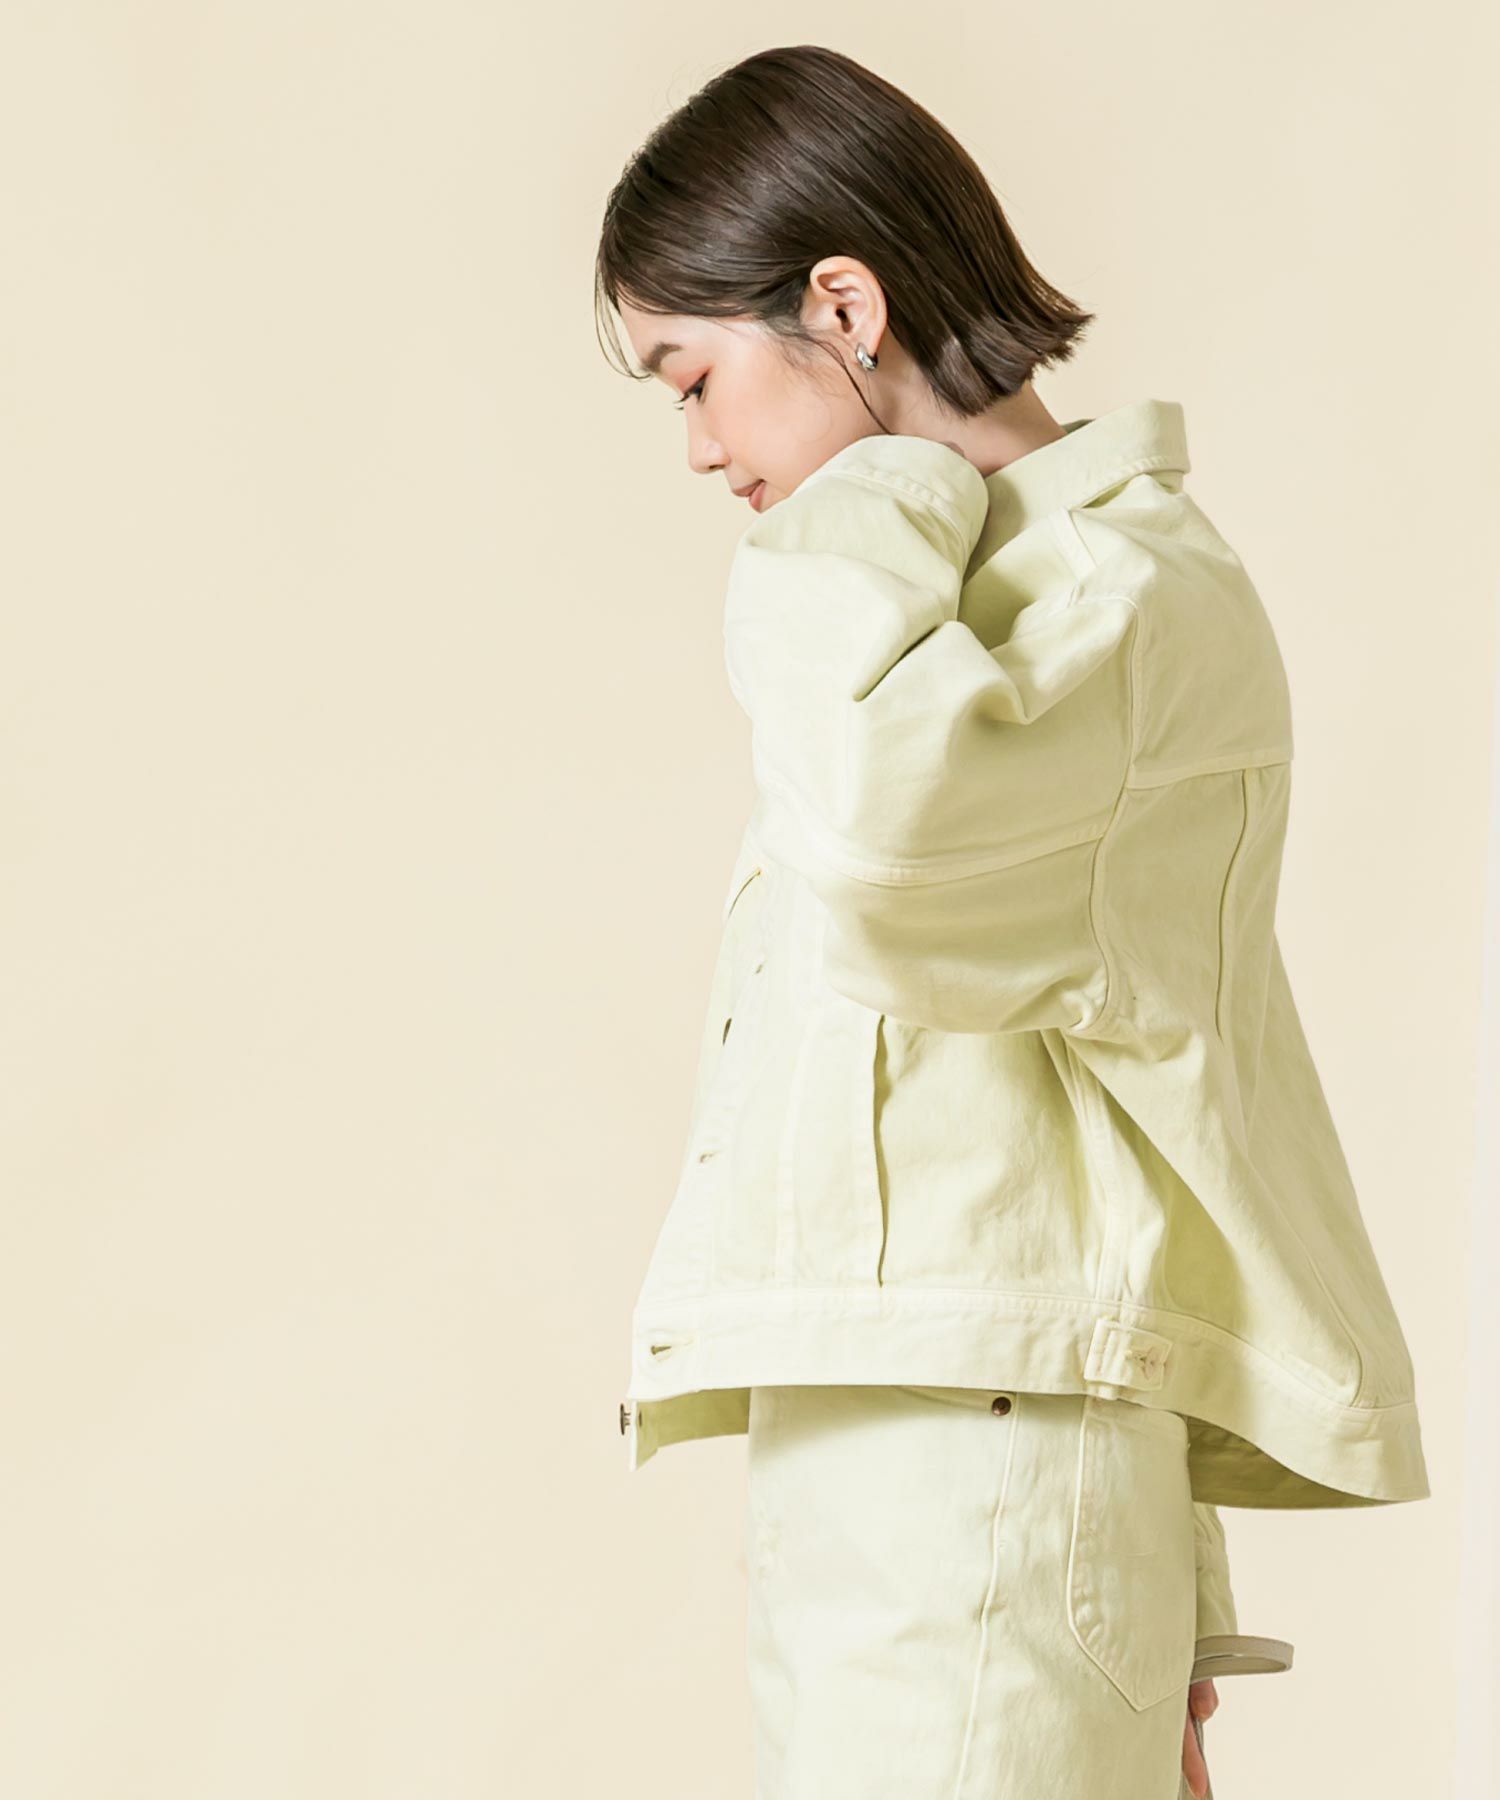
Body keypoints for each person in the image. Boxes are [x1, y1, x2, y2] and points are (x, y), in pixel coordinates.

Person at [595, 42, 1429, 1800]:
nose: (699, 448)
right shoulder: (959, 611)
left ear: (843, 306)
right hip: (904, 1455)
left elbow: (883, 852)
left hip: (972, 1483)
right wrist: (1174, 1603)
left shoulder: (1119, 589)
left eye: (697, 376)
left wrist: (876, 486)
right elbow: (1091, 1137)